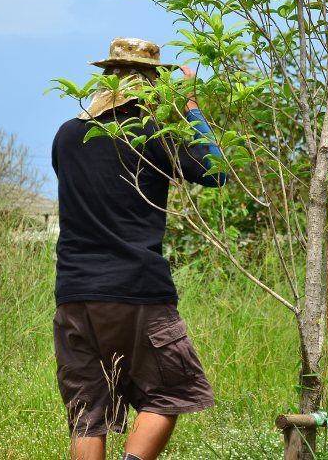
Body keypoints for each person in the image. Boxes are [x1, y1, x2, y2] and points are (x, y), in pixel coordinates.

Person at [51, 37, 226, 460]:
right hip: (136, 290)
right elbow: (216, 170)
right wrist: (190, 110)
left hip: (74, 294)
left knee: (87, 412)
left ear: (107, 76)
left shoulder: (67, 135)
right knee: (171, 391)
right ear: (153, 84)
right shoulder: (153, 132)